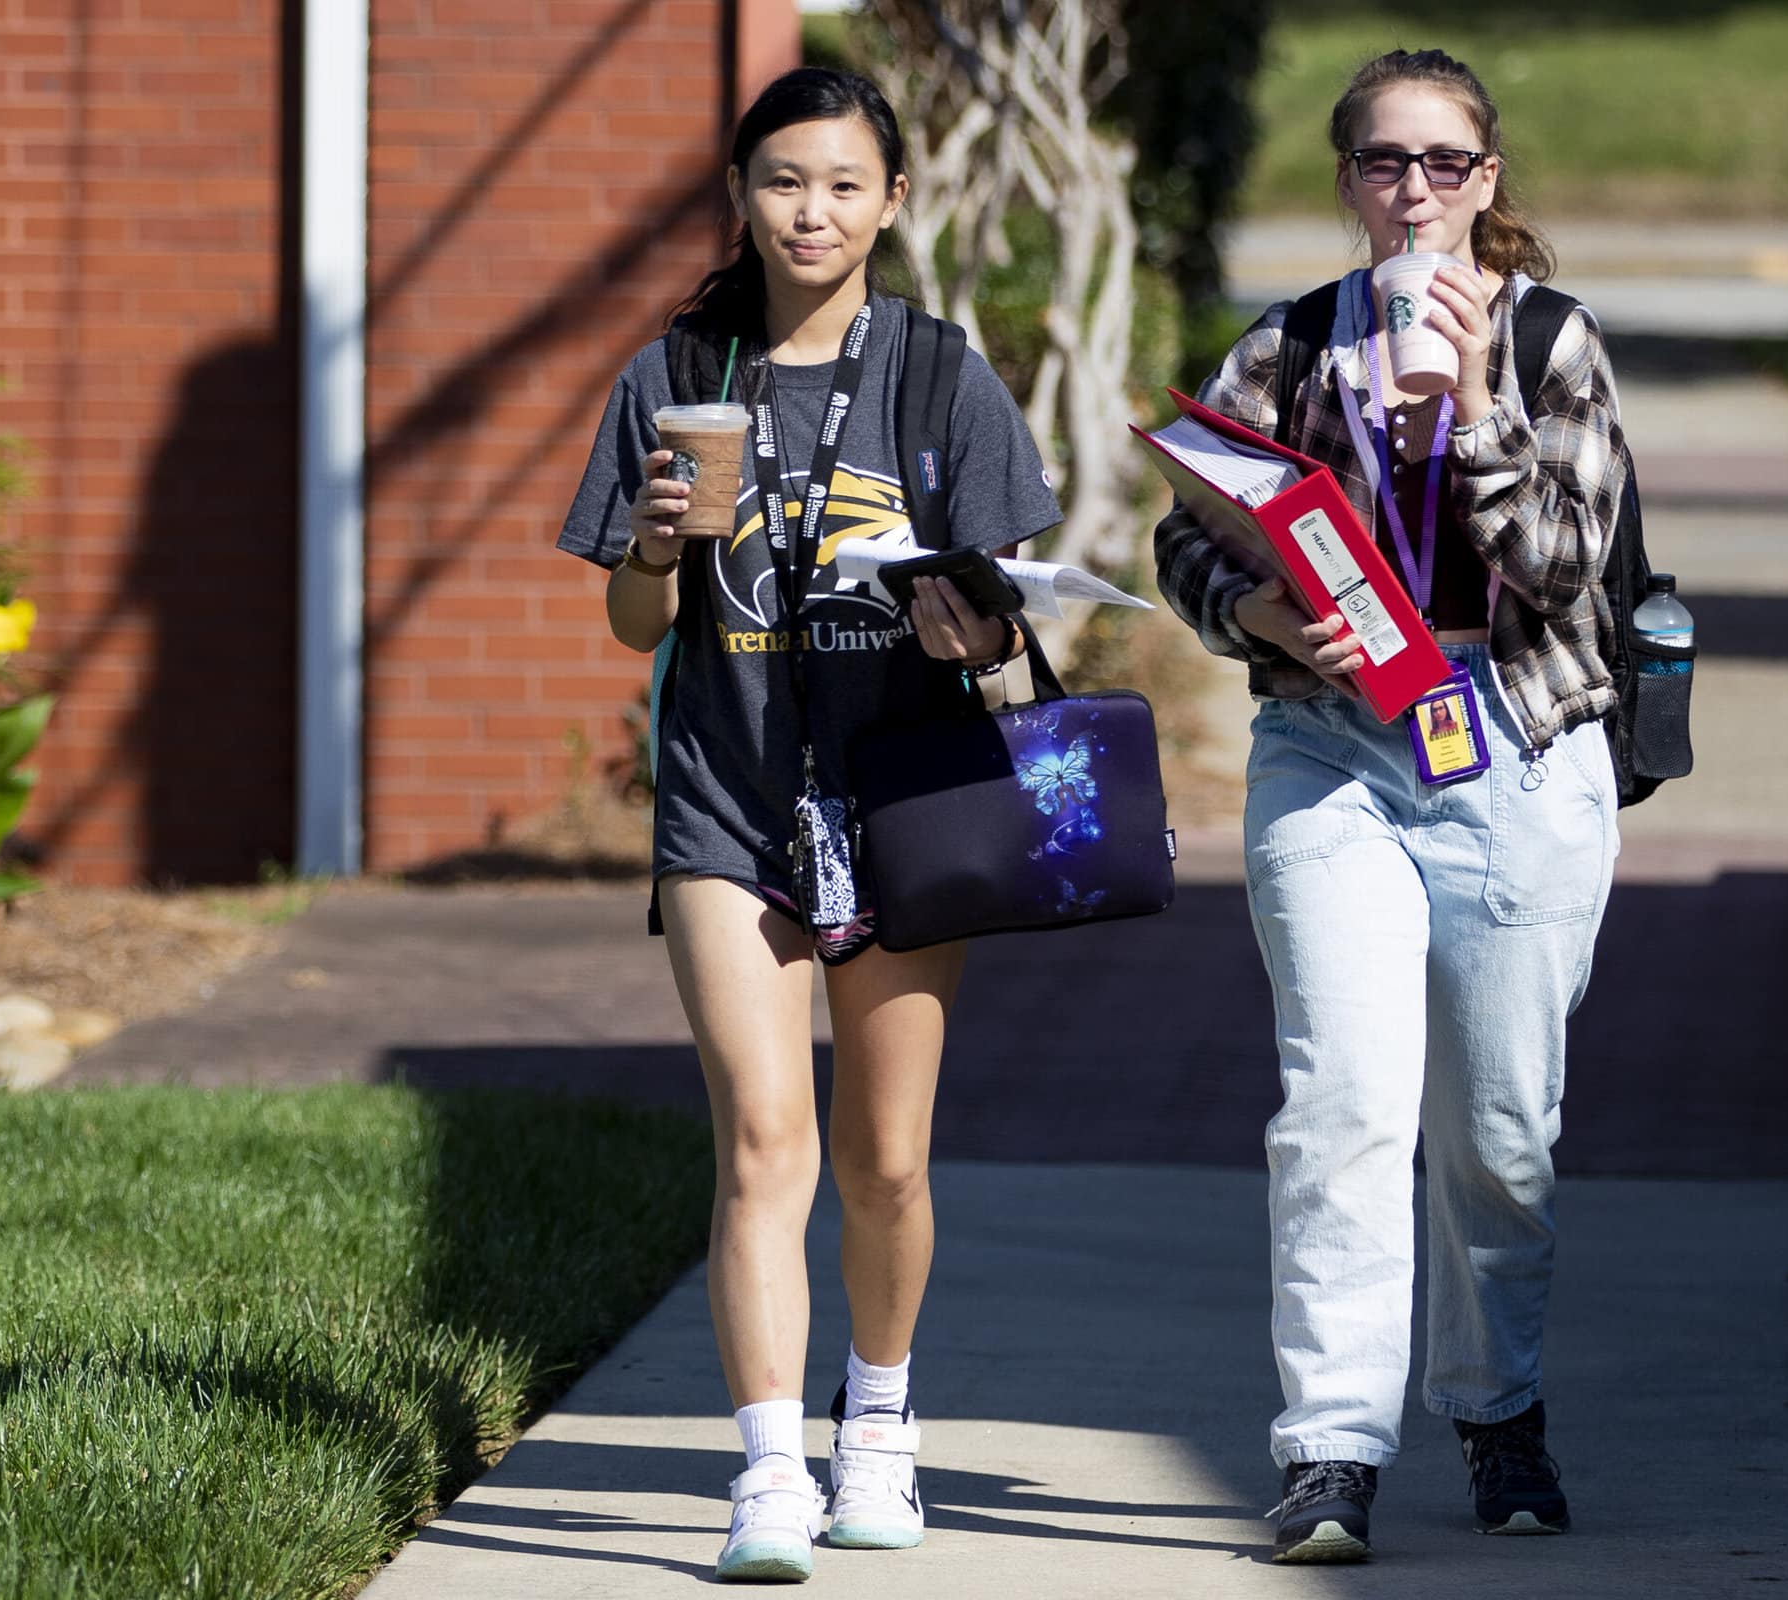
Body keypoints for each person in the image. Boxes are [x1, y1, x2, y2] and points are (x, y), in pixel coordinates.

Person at [557, 66, 1062, 1584]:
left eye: (844, 184)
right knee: (765, 1145)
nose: (812, 211)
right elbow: (636, 624)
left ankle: (882, 1430)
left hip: (907, 799)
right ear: (741, 194)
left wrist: (975, 634)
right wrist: (653, 545)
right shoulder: (674, 372)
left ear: (892, 202)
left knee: (886, 1160)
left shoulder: (936, 375)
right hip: (730, 800)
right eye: (784, 181)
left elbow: (1007, 625)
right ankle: (770, 1464)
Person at [1153, 48, 1628, 1564]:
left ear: (1488, 180)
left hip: (1517, 740)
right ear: (1346, 180)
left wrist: (1472, 400)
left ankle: (1498, 1408)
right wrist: (1259, 621)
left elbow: (1563, 570)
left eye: (1444, 163)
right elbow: (1191, 536)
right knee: (1346, 1103)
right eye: (1383, 163)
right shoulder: (1286, 349)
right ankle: (1330, 1451)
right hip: (1332, 744)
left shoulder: (1554, 343)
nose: (1414, 191)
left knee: (1499, 1127)